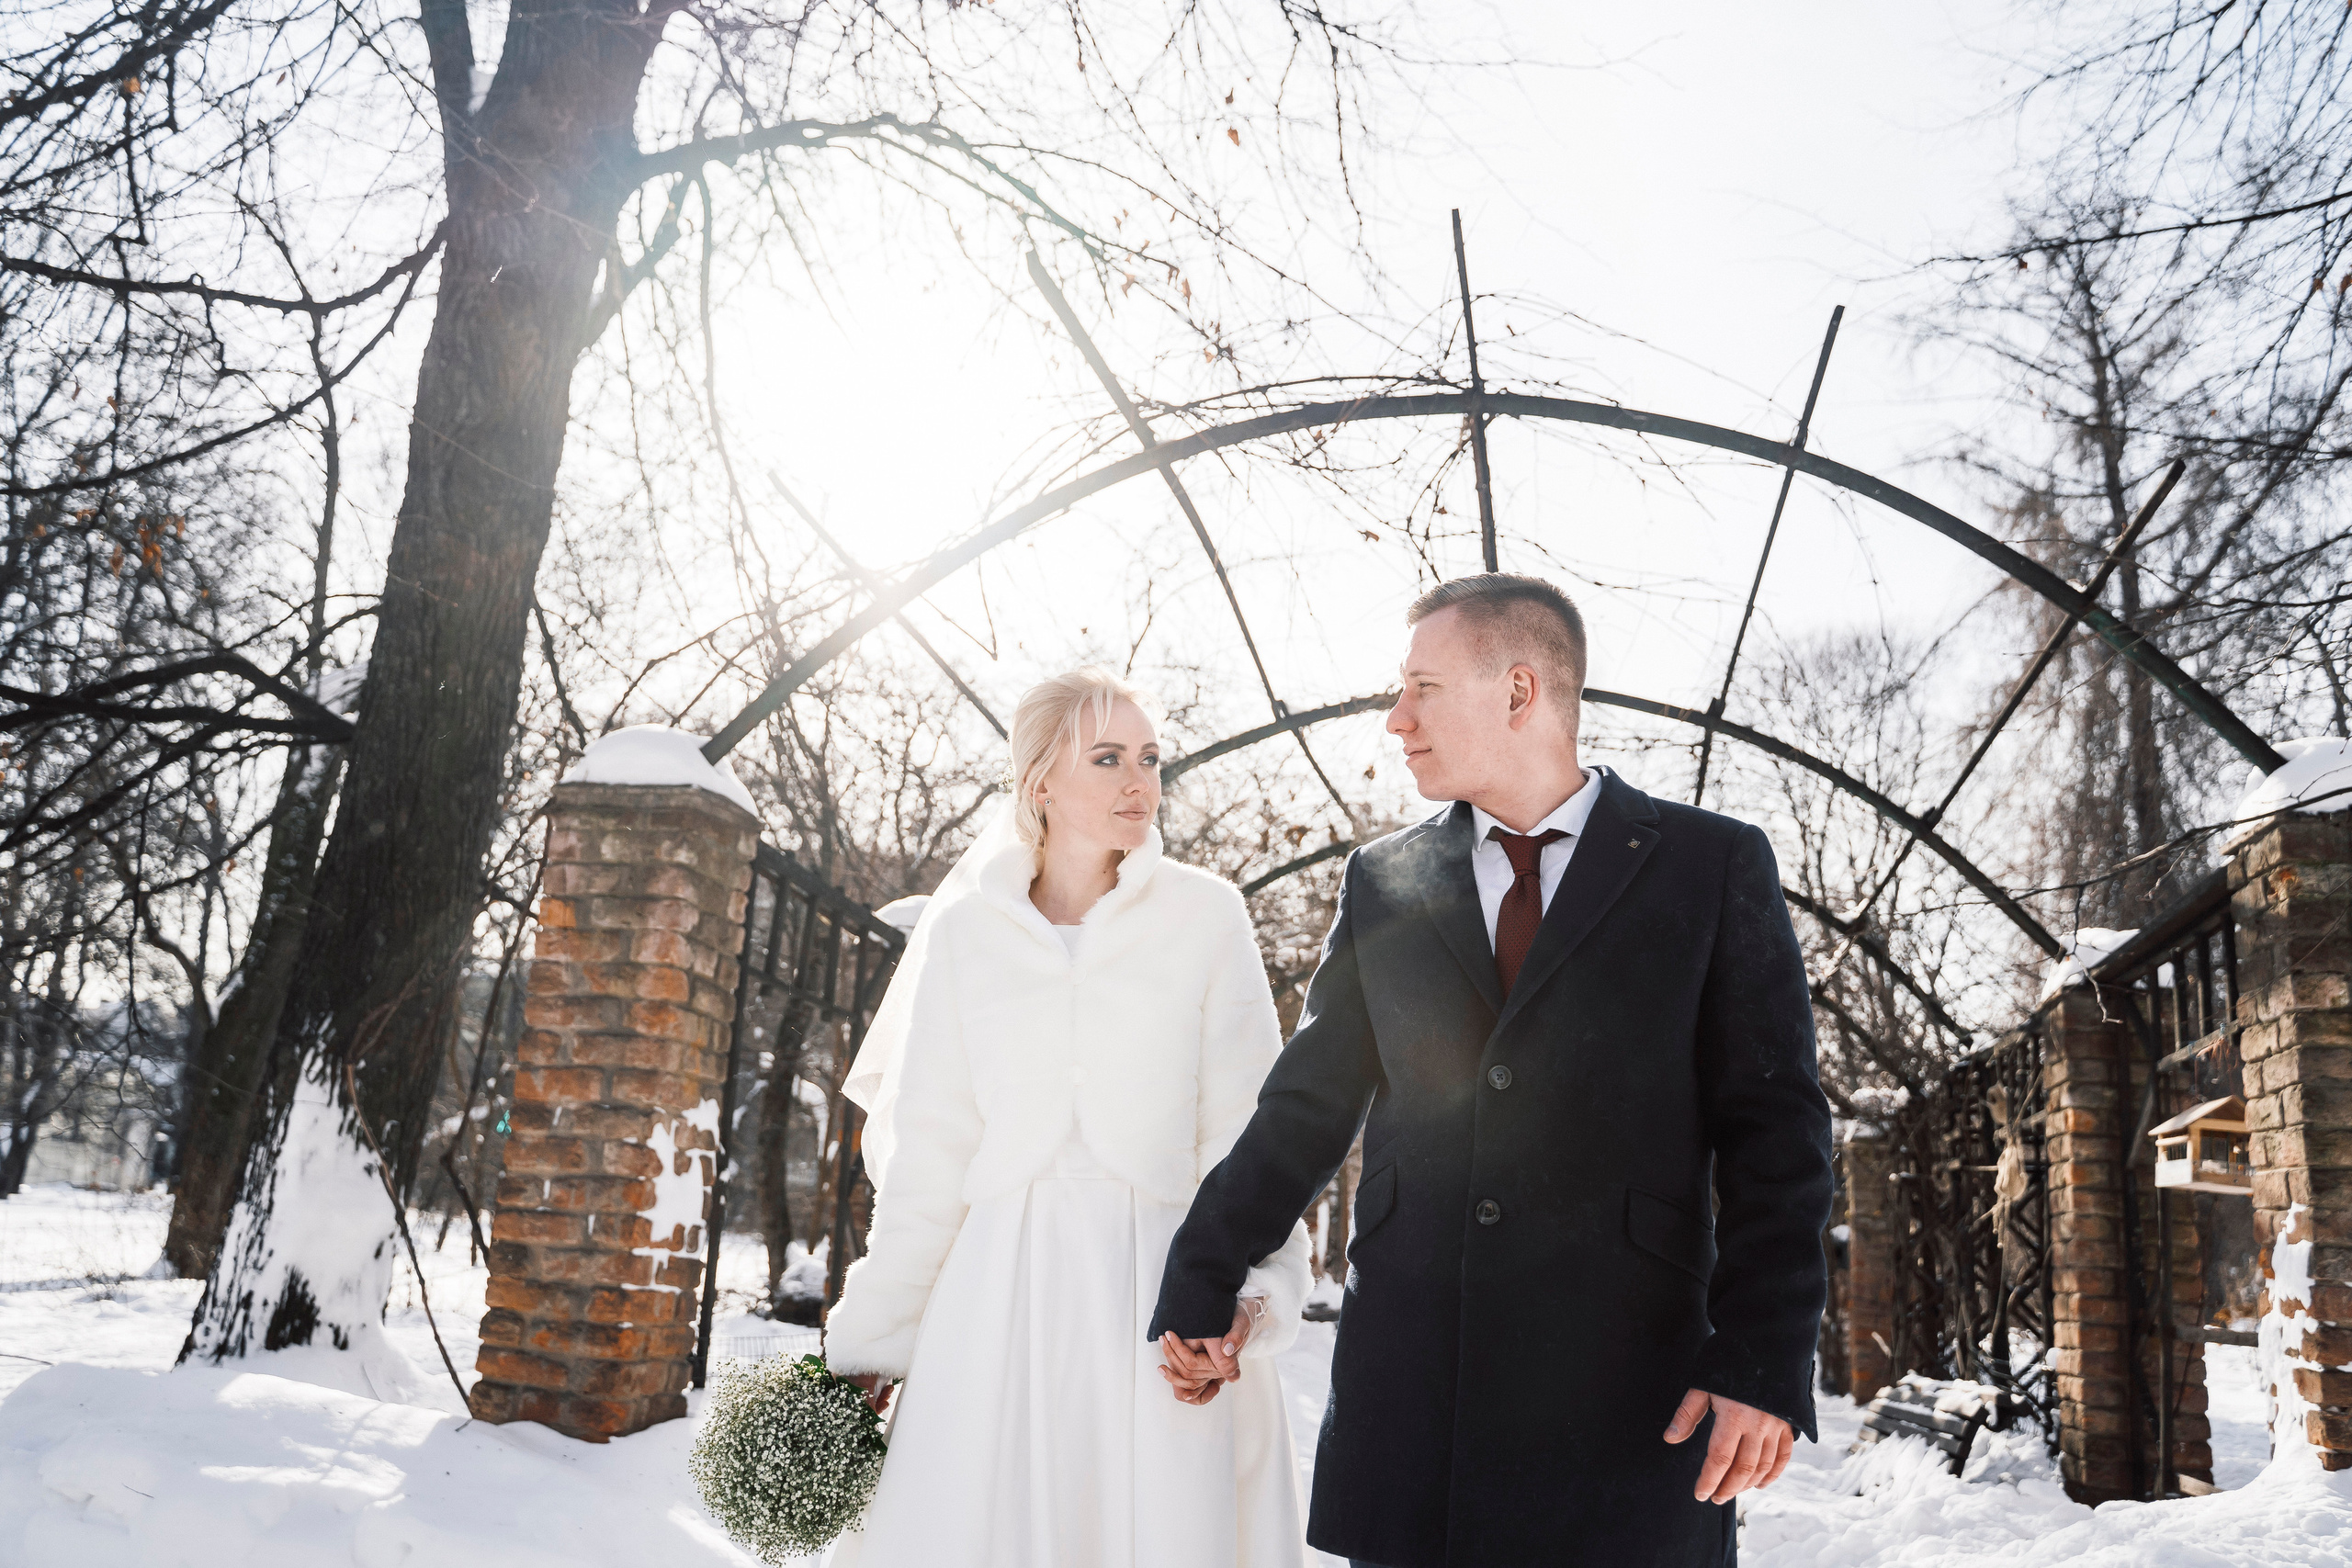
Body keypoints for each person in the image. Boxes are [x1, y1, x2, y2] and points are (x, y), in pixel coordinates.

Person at [1152, 574, 1834, 1568]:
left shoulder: (1710, 866)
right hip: (1415, 1396)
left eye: (1420, 688)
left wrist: (1763, 1359)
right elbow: (1306, 1105)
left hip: (1632, 1397)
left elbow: (1779, 1137)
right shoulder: (1383, 881)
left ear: (1519, 692)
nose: (1396, 719)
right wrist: (1201, 1282)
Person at [821, 667, 1313, 1568]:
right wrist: (875, 1344)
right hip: (998, 1302)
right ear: (1039, 779)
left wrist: (1247, 1304)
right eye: (1109, 757)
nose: (1140, 782)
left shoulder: (1207, 916)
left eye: (1151, 758)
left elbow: (1254, 1139)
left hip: (1165, 1300)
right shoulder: (968, 933)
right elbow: (931, 1156)